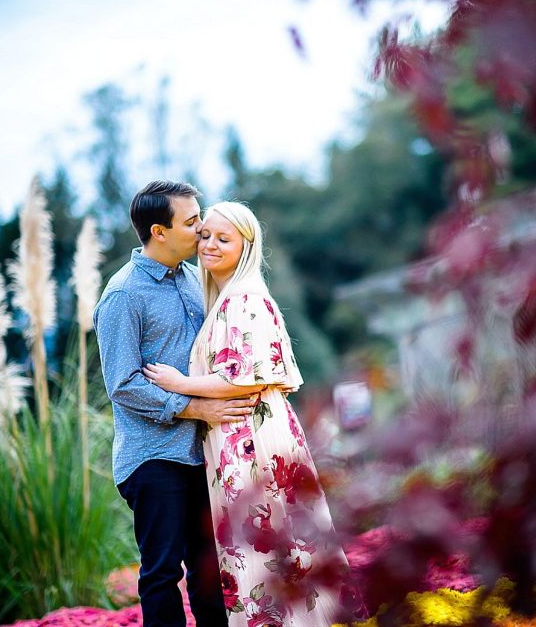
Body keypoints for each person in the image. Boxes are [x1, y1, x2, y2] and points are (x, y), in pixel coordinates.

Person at [143, 201, 359, 627]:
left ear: (246, 248)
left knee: (268, 551)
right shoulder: (224, 299)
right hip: (236, 439)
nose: (210, 244)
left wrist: (177, 383)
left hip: (252, 442)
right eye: (206, 235)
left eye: (225, 239)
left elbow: (247, 378)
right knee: (265, 553)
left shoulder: (246, 299)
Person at [94, 181, 257, 627]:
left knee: (210, 569)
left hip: (202, 452)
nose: (202, 227)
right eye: (191, 222)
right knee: (162, 573)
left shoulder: (193, 277)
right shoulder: (123, 295)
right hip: (152, 456)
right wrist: (195, 408)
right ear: (158, 231)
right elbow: (123, 384)